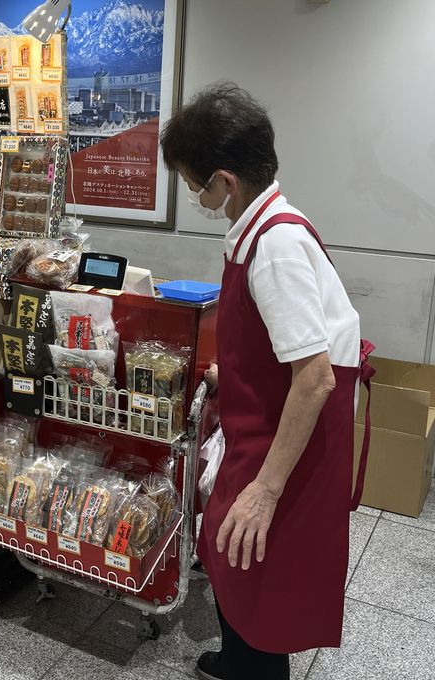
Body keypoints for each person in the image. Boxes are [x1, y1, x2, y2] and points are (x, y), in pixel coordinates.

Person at [159, 83, 372, 680]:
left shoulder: (275, 244)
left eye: (192, 182)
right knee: (231, 558)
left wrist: (267, 490)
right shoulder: (262, 226)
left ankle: (251, 666)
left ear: (225, 180)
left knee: (255, 568)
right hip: (263, 424)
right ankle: (236, 657)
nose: (194, 195)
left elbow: (314, 378)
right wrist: (237, 372)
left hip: (286, 446)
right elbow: (285, 345)